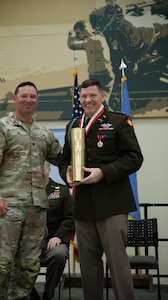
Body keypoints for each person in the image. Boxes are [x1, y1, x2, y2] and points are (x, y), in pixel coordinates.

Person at [58, 78, 143, 300]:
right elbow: (63, 160)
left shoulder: (119, 121)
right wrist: (66, 174)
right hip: (83, 207)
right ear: (80, 98)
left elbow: (134, 158)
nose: (88, 100)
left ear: (102, 96)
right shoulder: (73, 126)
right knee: (88, 266)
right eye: (83, 96)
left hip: (113, 204)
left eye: (92, 95)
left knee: (118, 263)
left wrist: (103, 173)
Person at [0, 81, 62, 300]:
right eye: (24, 96)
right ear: (15, 99)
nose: (28, 100)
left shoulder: (44, 134)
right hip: (8, 208)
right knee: (2, 265)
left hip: (37, 210)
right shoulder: (0, 128)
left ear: (37, 100)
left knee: (29, 266)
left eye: (33, 96)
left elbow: (62, 158)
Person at [30, 161, 75, 300]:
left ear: (48, 170)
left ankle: (48, 294)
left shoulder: (61, 191)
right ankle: (32, 296)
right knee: (13, 256)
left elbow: (71, 218)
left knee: (59, 254)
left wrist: (59, 237)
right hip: (29, 243)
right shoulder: (25, 193)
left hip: (53, 240)